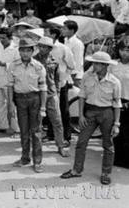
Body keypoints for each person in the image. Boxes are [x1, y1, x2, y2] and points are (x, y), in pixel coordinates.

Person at [61, 51, 122, 185]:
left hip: (107, 113)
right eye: (93, 62)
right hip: (90, 112)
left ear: (105, 65)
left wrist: (116, 124)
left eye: (97, 63)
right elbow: (82, 96)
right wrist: (81, 115)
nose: (94, 65)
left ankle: (106, 173)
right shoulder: (88, 77)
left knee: (108, 144)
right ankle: (77, 170)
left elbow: (117, 103)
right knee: (81, 142)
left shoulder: (114, 81)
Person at [7, 38, 47, 173]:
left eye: (28, 51)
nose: (25, 53)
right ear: (19, 51)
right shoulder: (13, 66)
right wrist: (11, 104)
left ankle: (37, 161)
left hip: (34, 99)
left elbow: (43, 88)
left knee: (36, 132)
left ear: (32, 51)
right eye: (22, 50)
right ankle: (25, 157)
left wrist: (43, 108)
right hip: (20, 100)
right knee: (23, 131)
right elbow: (10, 87)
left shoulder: (38, 67)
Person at [34, 37, 70, 157]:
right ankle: (36, 148)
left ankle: (60, 145)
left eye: (45, 47)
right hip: (38, 94)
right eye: (41, 46)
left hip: (51, 94)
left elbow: (57, 79)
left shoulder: (54, 61)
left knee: (57, 121)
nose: (42, 49)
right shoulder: (33, 61)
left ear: (50, 49)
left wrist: (57, 93)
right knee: (37, 123)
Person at [0, 27, 19, 134]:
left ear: (10, 38)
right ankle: (3, 125)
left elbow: (18, 64)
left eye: (3, 38)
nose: (1, 40)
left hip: (10, 80)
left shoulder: (15, 49)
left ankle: (15, 128)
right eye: (0, 37)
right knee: (0, 104)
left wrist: (5, 64)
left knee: (11, 105)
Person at [110, 38, 129, 169]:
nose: (124, 53)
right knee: (117, 131)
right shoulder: (113, 64)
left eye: (127, 50)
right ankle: (118, 159)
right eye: (122, 50)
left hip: (128, 100)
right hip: (115, 100)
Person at [62, 20, 84, 84]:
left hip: (75, 76)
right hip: (67, 73)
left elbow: (78, 61)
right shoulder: (65, 40)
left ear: (71, 31)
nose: (62, 30)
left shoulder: (78, 43)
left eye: (64, 29)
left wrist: (73, 74)